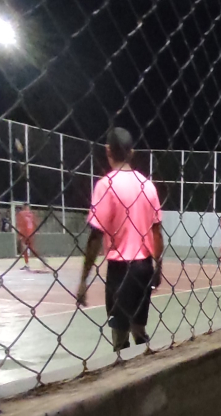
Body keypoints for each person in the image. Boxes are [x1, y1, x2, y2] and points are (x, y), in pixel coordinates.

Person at [77, 127, 164, 352]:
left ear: (108, 151)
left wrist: (83, 279)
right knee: (138, 327)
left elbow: (96, 235)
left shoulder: (106, 185)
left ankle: (123, 367)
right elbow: (156, 232)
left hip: (120, 270)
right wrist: (158, 266)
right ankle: (147, 366)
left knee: (119, 334)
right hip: (144, 266)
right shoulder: (148, 185)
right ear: (131, 153)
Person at [16, 202, 41, 271]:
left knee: (24, 249)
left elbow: (20, 224)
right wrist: (36, 231)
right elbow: (36, 223)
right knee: (32, 249)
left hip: (24, 233)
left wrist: (19, 235)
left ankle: (27, 264)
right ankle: (41, 259)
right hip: (31, 233)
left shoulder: (21, 214)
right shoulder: (31, 214)